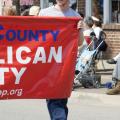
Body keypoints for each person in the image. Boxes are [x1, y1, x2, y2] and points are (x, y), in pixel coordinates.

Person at [39, 0, 83, 119]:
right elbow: (37, 38)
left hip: (66, 64)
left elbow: (79, 43)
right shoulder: (44, 14)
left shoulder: (75, 16)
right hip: (49, 63)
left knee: (62, 99)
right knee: (55, 98)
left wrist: (79, 30)